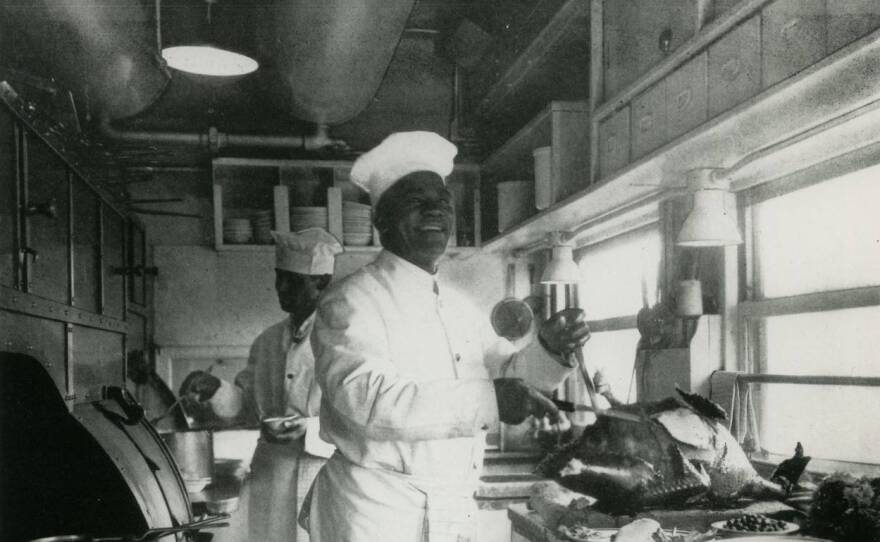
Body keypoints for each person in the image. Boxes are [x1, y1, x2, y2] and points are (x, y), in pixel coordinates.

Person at [301, 131, 591, 541]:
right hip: (376, 514)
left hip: (451, 508)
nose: (433, 211)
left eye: (441, 201)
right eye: (415, 201)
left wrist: (549, 350)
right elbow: (366, 400)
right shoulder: (350, 302)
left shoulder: (458, 306)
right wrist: (492, 400)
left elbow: (508, 371)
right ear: (380, 218)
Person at [179, 227, 343, 542]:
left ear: (321, 282)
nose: (280, 287)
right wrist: (216, 389)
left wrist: (307, 429)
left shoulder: (342, 337)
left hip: (322, 472)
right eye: (278, 276)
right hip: (272, 474)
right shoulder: (268, 341)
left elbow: (361, 415)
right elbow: (246, 407)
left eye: (292, 280)